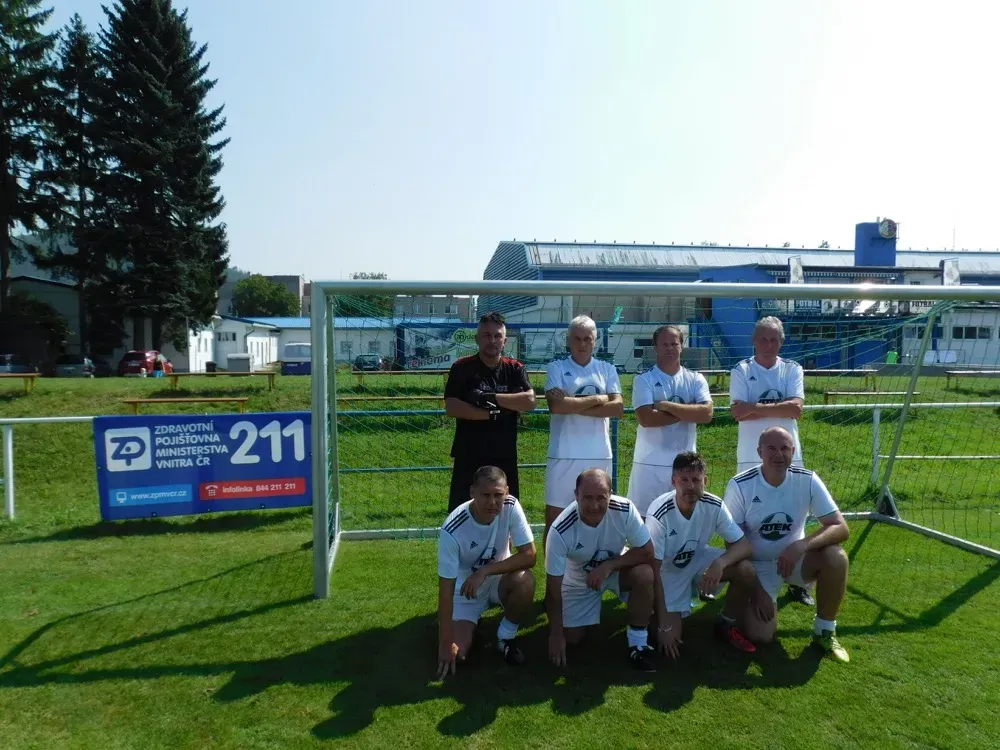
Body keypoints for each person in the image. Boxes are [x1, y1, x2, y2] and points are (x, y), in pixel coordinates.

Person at [721, 426, 851, 663]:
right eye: (771, 448)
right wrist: (758, 590)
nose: (778, 454)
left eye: (785, 448)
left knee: (836, 557)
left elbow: (840, 527)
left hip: (795, 560)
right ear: (760, 452)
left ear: (793, 451)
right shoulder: (740, 484)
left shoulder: (807, 480)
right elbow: (732, 543)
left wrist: (801, 546)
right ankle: (739, 606)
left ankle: (825, 631)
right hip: (757, 566)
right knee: (760, 635)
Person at [730, 316, 812, 606]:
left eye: (774, 339)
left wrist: (755, 407)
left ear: (782, 342)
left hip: (788, 456)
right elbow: (737, 412)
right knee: (748, 519)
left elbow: (796, 409)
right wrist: (779, 408)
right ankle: (747, 576)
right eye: (763, 339)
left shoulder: (792, 368)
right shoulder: (741, 369)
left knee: (794, 515)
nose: (768, 344)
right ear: (754, 341)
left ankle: (798, 581)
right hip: (750, 456)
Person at [645, 451, 757, 659]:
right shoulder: (660, 513)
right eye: (684, 480)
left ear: (705, 481)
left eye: (696, 480)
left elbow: (744, 545)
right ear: (673, 481)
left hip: (697, 559)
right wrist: (664, 622)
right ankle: (651, 616)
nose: (690, 486)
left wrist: (719, 563)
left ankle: (727, 624)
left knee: (745, 569)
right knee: (668, 637)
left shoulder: (713, 504)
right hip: (667, 573)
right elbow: (654, 569)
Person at [545, 468, 657, 671]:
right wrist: (556, 633)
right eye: (587, 497)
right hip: (578, 580)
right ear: (576, 495)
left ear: (610, 494)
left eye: (601, 497)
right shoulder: (560, 530)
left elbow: (648, 551)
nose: (594, 505)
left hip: (614, 570)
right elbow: (553, 587)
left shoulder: (625, 509)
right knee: (572, 638)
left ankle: (638, 641)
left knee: (644, 574)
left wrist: (609, 566)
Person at [437, 466, 537, 679]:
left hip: (498, 580)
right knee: (458, 655)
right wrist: (445, 642)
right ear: (472, 492)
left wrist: (484, 571)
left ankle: (505, 637)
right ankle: (470, 622)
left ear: (506, 492)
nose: (492, 502)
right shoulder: (452, 529)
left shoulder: (511, 506)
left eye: (498, 495)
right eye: (485, 495)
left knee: (526, 580)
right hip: (465, 592)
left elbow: (530, 555)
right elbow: (445, 591)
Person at [444, 312, 537, 512]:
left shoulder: (515, 369)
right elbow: (452, 406)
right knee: (463, 512)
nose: (492, 340)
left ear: (505, 341)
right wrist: (495, 413)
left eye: (497, 336)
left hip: (504, 454)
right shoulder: (461, 367)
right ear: (477, 338)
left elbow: (529, 401)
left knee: (506, 512)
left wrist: (488, 398)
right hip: (469, 453)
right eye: (486, 335)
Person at [543, 315, 623, 541]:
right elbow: (556, 406)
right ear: (568, 340)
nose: (582, 344)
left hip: (598, 454)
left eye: (587, 339)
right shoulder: (556, 367)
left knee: (598, 516)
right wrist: (599, 398)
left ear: (595, 341)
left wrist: (572, 404)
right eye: (577, 338)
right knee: (555, 519)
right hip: (563, 454)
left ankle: (593, 562)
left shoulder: (607, 369)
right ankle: (553, 565)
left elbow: (617, 408)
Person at [628, 325, 713, 517]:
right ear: (655, 348)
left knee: (684, 518)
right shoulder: (644, 379)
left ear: (682, 346)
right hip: (649, 466)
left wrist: (667, 406)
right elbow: (646, 418)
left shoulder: (695, 379)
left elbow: (706, 414)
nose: (669, 348)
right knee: (646, 520)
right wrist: (689, 410)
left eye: (674, 343)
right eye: (664, 344)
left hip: (685, 469)